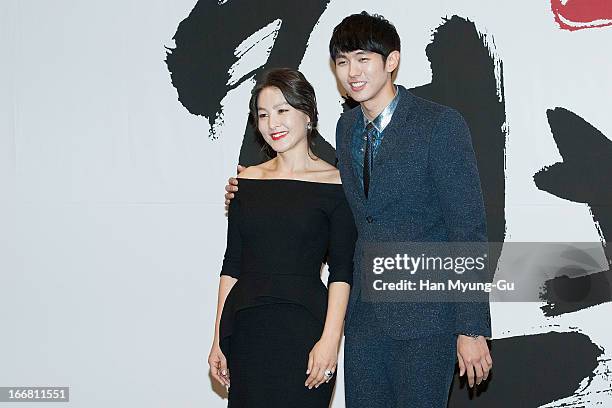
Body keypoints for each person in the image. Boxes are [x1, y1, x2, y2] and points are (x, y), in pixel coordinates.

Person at [225, 12, 493, 408]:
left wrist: (471, 327)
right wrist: (253, 191)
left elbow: (467, 228)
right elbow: (331, 199)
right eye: (343, 62)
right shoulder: (346, 128)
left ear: (392, 61)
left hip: (426, 318)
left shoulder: (439, 125)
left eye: (363, 59)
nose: (352, 72)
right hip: (365, 320)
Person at [209, 68, 357, 408]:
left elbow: (342, 272)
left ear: (307, 114)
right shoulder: (247, 182)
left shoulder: (337, 184)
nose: (272, 122)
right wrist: (218, 337)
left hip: (305, 329)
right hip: (247, 328)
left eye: (282, 110)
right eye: (262, 114)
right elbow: (232, 264)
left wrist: (330, 340)